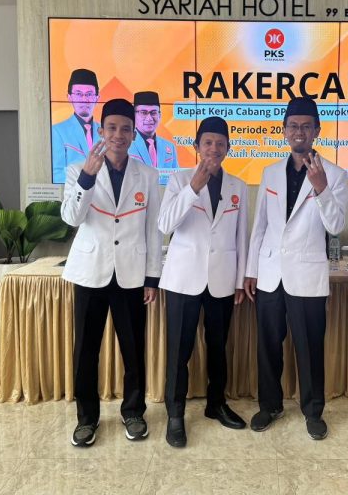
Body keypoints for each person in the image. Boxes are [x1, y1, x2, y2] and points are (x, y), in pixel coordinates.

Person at [244, 97, 348, 441]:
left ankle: (313, 411)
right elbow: (260, 225)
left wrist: (321, 188)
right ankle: (269, 405)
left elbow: (336, 225)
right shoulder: (270, 172)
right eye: (293, 126)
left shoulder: (335, 175)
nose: (299, 132)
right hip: (270, 273)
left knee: (309, 347)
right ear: (284, 130)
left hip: (306, 275)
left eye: (306, 126)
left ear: (317, 130)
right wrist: (251, 270)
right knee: (268, 346)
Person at [61, 98, 162, 448]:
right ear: (101, 131)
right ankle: (86, 419)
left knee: (133, 351)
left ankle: (133, 412)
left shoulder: (148, 175)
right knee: (85, 352)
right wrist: (88, 177)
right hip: (91, 273)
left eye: (125, 129)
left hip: (131, 275)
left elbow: (153, 230)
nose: (118, 135)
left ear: (134, 134)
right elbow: (72, 218)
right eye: (112, 128)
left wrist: (152, 278)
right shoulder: (77, 169)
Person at [158, 116, 249, 448]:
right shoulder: (179, 179)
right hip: (184, 279)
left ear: (228, 148)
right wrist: (193, 188)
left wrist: (239, 280)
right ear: (196, 147)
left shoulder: (238, 186)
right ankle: (175, 413)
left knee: (218, 347)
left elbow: (241, 236)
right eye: (207, 142)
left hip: (222, 279)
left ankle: (216, 404)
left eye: (220, 143)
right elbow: (165, 223)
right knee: (179, 351)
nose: (214, 148)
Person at [52, 68, 102, 184]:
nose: (84, 99)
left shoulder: (106, 132)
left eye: (89, 94)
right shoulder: (57, 131)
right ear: (69, 97)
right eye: (79, 94)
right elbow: (56, 173)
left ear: (97, 98)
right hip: (73, 192)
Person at [129, 91, 179, 172]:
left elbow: (177, 177)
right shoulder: (126, 144)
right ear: (134, 115)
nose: (149, 118)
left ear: (160, 116)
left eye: (153, 113)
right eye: (143, 113)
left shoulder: (169, 146)